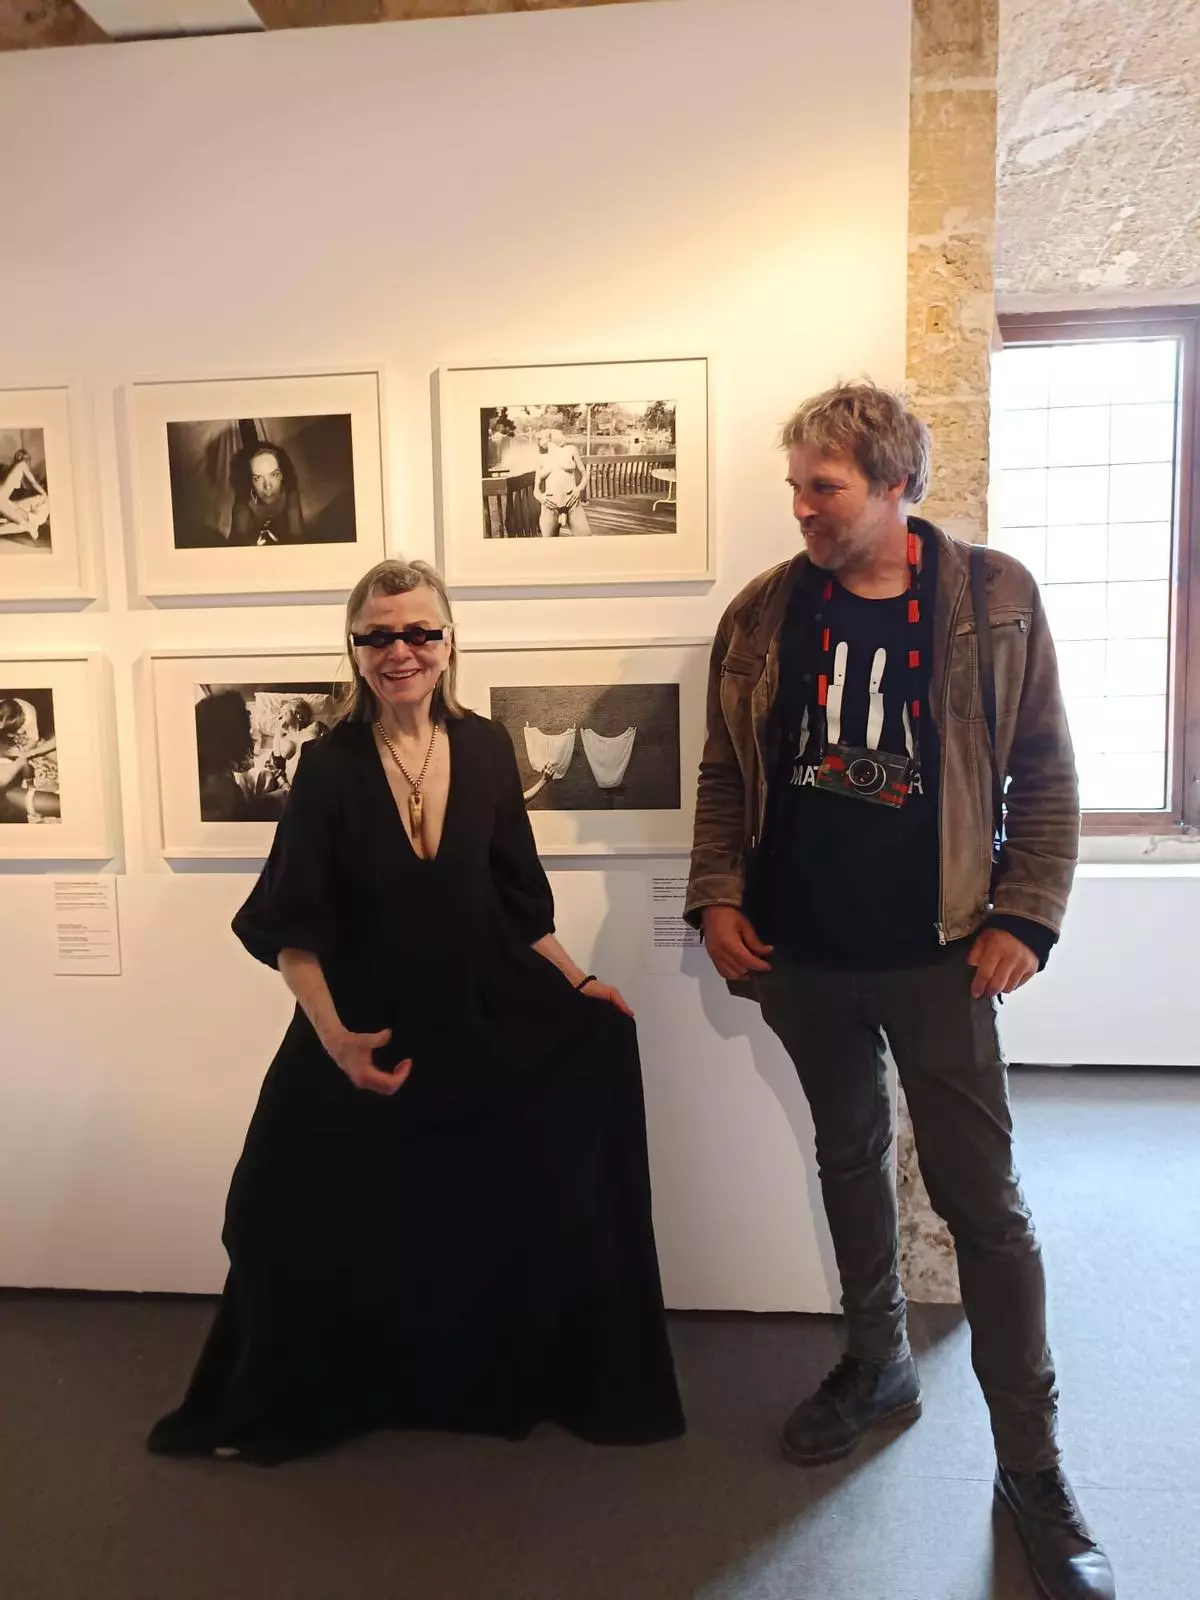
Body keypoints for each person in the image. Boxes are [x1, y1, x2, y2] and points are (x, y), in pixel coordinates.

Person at [685, 383, 1114, 1600]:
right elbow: (725, 772)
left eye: (823, 487)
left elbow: (1046, 771)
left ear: (895, 486)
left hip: (943, 953)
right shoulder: (763, 611)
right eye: (796, 486)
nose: (801, 508)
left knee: (986, 1206)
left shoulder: (995, 596)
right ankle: (879, 1362)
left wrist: (1026, 912)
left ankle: (1032, 1469)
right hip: (801, 955)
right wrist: (718, 895)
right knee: (847, 1154)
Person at [148, 556, 683, 1465]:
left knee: (474, 1203)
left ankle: (467, 1379)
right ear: (355, 649)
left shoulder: (486, 747)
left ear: (447, 640)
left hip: (478, 1013)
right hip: (361, 1020)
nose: (401, 651)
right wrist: (334, 1041)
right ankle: (292, 1395)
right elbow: (291, 926)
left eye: (419, 632)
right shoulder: (327, 766)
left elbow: (519, 901)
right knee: (275, 1210)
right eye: (379, 636)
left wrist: (575, 982)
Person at [228, 443, 303, 546]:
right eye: (258, 478)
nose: (267, 486)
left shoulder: (290, 496)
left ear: (282, 475)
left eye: (274, 474)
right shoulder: (242, 508)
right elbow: (242, 549)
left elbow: (298, 541)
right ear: (250, 481)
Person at [0, 697, 59, 822]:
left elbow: (34, 741)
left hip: (25, 757)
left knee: (11, 793)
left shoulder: (29, 717)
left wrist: (24, 753)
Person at [534, 428, 592, 537]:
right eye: (541, 440)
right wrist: (541, 498)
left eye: (545, 438)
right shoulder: (541, 459)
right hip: (550, 506)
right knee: (549, 544)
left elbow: (585, 475)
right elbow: (536, 491)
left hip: (572, 502)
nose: (543, 442)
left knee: (585, 537)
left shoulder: (570, 450)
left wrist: (578, 489)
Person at [0, 449, 51, 542]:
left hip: (2, 499)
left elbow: (27, 485)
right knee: (23, 523)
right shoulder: (22, 465)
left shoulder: (14, 468)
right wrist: (45, 495)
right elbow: (33, 483)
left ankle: (28, 526)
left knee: (18, 520)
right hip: (2, 499)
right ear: (27, 460)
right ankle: (28, 527)